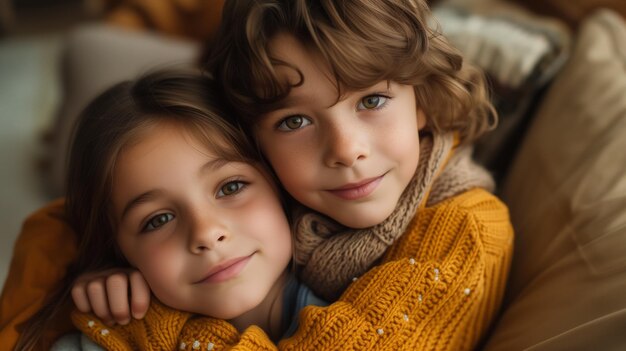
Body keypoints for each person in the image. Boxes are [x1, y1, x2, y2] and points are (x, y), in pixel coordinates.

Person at [72, 0, 515, 349]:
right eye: (294, 122)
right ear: (255, 142)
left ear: (422, 100)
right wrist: (112, 280)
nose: (345, 151)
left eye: (373, 101)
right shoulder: (272, 199)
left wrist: (143, 317)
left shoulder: (468, 229)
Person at [15, 69, 326, 350]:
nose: (206, 233)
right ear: (119, 250)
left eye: (230, 187)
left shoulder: (361, 298)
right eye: (158, 220)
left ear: (277, 180)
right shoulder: (101, 337)